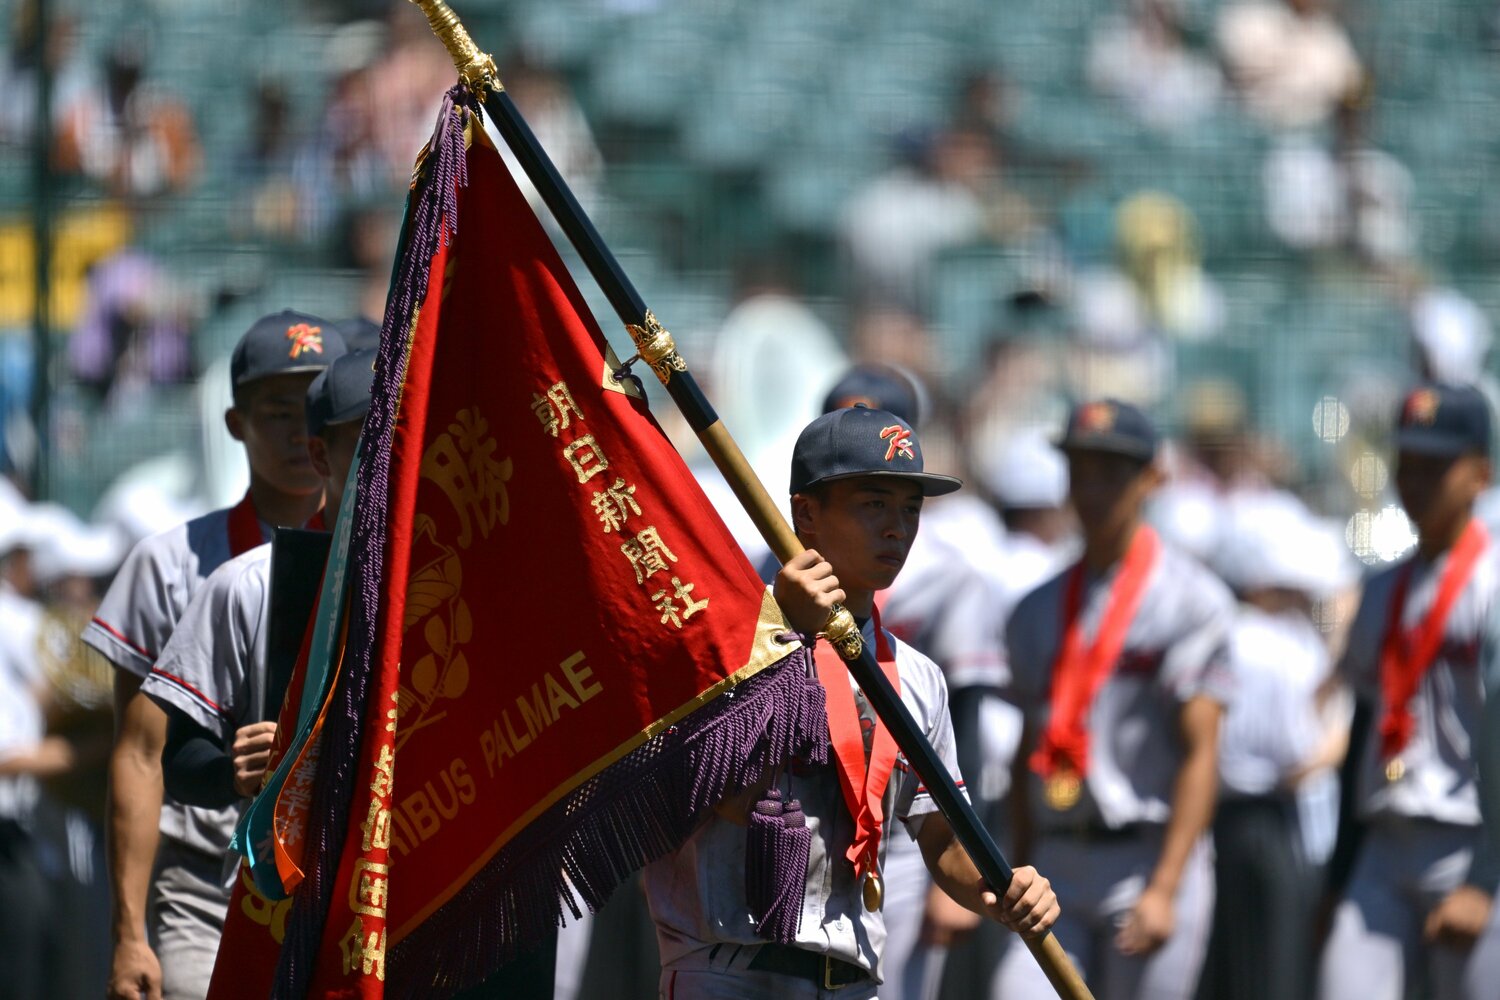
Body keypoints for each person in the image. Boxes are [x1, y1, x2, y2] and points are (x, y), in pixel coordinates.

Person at [642, 404, 1059, 999]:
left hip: (850, 976)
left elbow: (939, 836)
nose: (898, 527)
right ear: (806, 515)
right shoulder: (726, 638)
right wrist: (786, 647)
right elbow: (716, 799)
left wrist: (1000, 890)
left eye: (910, 508)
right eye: (873, 504)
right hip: (726, 968)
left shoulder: (917, 677)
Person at [84, 311, 345, 1000]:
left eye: (316, 408)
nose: (299, 432)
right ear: (236, 424)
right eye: (277, 410)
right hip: (204, 881)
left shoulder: (380, 566)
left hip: (334, 875)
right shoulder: (168, 565)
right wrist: (128, 933)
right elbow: (139, 753)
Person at [995, 398, 1233, 1000]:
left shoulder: (1191, 599)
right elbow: (1029, 744)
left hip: (1143, 854)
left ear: (1153, 478)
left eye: (1113, 472)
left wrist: (1166, 887)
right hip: (1055, 856)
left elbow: (1202, 751)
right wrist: (1018, 865)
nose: (1093, 489)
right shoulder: (1036, 607)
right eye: (1080, 471)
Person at [1318, 383, 1497, 1000]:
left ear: (1481, 472)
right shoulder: (1379, 588)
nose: (1415, 481)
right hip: (1384, 842)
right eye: (1407, 464)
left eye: (1435, 466)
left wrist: (1485, 879)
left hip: (1474, 839)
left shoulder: (1492, 584)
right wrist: (1338, 875)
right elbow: (1365, 727)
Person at [142, 348, 373, 819]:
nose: (393, 458)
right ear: (319, 455)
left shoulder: (471, 574)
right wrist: (235, 770)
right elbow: (183, 759)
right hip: (293, 879)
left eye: (407, 435)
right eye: (367, 440)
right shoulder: (247, 583)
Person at [1198, 495, 1351, 1000]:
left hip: (1219, 824)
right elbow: (1299, 755)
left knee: (1226, 967)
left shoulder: (1219, 632)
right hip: (1269, 827)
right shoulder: (1282, 645)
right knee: (1275, 969)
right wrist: (1341, 740)